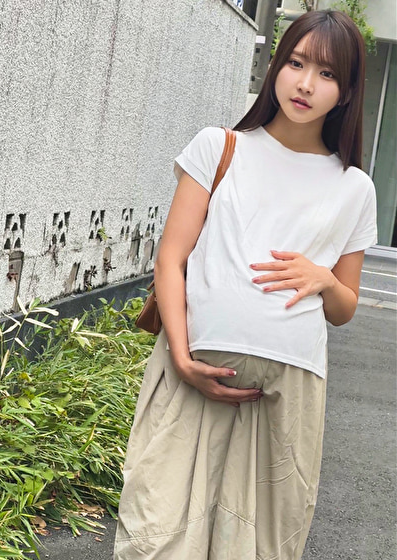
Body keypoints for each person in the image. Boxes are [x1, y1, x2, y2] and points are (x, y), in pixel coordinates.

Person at [114, 9, 377, 560]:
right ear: (276, 66)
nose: (306, 84)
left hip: (289, 388)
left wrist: (324, 279)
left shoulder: (354, 187)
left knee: (259, 546)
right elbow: (171, 259)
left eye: (327, 74)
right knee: (156, 533)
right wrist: (181, 358)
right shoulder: (220, 147)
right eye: (297, 63)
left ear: (348, 91)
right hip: (190, 372)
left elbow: (344, 307)